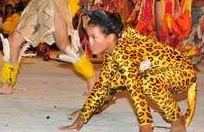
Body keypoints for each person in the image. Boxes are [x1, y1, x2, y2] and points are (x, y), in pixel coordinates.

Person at [60, 10, 197, 132]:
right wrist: (81, 119)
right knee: (109, 82)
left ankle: (177, 120)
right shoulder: (112, 53)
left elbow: (135, 91)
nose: (89, 43)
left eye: (94, 37)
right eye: (88, 37)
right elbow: (100, 87)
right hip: (155, 70)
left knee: (146, 82)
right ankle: (99, 106)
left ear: (111, 37)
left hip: (181, 71)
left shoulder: (124, 53)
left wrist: (145, 126)